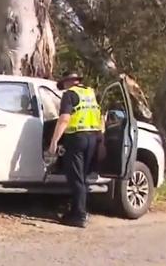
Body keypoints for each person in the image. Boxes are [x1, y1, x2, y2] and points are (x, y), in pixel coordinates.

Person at [48, 71, 102, 228]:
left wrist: (54, 142)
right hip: (92, 137)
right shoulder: (90, 93)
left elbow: (64, 119)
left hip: (76, 139)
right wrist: (101, 139)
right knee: (82, 177)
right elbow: (100, 115)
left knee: (75, 178)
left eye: (64, 84)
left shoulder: (69, 95)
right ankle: (77, 211)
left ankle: (79, 216)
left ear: (67, 82)